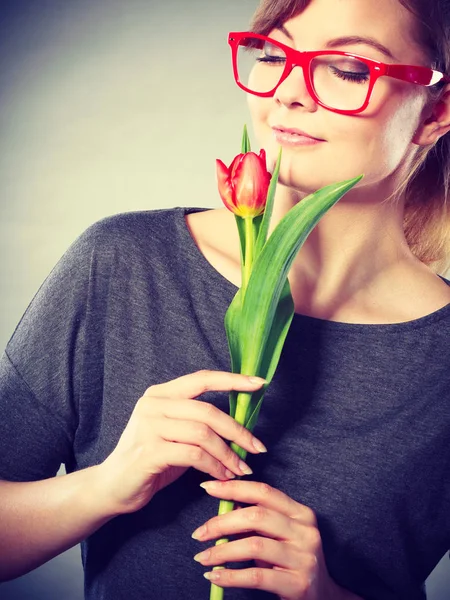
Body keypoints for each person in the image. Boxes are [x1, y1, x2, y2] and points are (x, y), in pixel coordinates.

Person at [1, 0, 450, 598]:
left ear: (436, 111)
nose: (289, 90)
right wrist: (107, 485)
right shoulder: (122, 264)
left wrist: (329, 594)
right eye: (273, 54)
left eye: (345, 68)